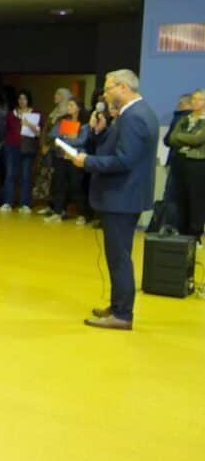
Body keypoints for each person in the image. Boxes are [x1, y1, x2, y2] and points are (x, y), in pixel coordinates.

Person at [72, 69, 158, 330]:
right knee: (118, 255)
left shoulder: (134, 117)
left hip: (122, 196)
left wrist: (87, 161)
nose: (105, 94)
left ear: (123, 87)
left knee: (119, 257)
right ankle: (118, 304)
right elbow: (117, 148)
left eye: (108, 88)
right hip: (125, 195)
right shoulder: (136, 113)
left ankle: (122, 314)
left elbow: (124, 160)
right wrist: (99, 133)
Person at [166, 88, 205, 240]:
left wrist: (181, 138)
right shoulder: (184, 119)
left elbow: (198, 140)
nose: (195, 102)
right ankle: (181, 233)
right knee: (179, 198)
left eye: (199, 99)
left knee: (196, 198)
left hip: (197, 163)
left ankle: (195, 234)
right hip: (179, 161)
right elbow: (171, 138)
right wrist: (186, 138)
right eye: (193, 99)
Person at [45, 98, 91, 224]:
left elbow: (82, 140)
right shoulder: (63, 121)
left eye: (71, 105)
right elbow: (52, 135)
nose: (69, 107)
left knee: (76, 185)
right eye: (68, 105)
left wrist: (64, 139)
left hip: (75, 158)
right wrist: (66, 136)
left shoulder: (84, 124)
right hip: (61, 156)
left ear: (78, 108)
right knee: (59, 184)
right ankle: (58, 212)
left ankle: (83, 214)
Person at [0, 90, 40, 214]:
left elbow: (38, 132)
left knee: (26, 175)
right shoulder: (11, 114)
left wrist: (28, 124)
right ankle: (7, 202)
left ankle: (25, 203)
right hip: (12, 147)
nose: (22, 101)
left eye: (24, 98)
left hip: (27, 147)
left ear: (28, 100)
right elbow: (4, 129)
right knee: (10, 174)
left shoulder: (35, 114)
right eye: (20, 98)